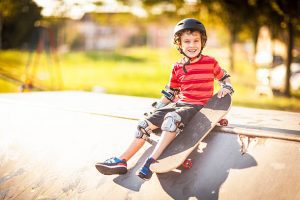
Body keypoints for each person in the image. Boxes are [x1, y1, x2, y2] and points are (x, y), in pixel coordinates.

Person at [95, 18, 234, 180]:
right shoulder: (177, 67)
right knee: (143, 125)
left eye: (196, 41)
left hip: (198, 107)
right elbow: (171, 92)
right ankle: (121, 160)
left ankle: (151, 160)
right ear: (180, 44)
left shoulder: (210, 62)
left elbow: (223, 77)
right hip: (180, 105)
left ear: (202, 42)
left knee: (170, 119)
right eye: (187, 41)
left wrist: (227, 87)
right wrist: (159, 107)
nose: (192, 45)